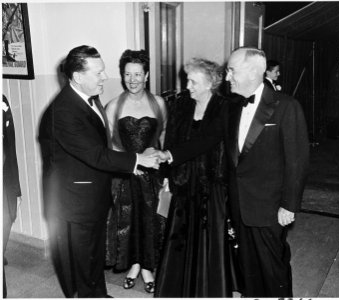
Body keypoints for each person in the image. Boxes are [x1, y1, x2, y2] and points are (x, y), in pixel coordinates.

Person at [157, 47, 309, 297]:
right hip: (238, 204)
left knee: (272, 268)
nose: (227, 77)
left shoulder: (286, 106)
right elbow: (207, 139)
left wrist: (289, 206)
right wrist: (169, 155)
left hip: (269, 207)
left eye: (232, 71)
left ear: (251, 71)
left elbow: (297, 161)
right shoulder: (232, 107)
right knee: (247, 268)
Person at [38, 45, 159, 298]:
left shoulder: (88, 97)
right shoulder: (63, 111)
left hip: (90, 194)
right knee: (82, 263)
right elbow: (95, 154)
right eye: (99, 73)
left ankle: (99, 294)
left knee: (92, 256)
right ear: (78, 77)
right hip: (74, 201)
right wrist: (138, 160)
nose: (105, 77)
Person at [155, 58, 241, 297]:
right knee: (179, 237)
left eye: (193, 81)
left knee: (209, 238)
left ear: (210, 83)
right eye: (187, 80)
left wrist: (169, 155)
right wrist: (165, 175)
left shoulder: (224, 106)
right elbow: (171, 136)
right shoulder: (182, 104)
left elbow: (207, 140)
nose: (188, 85)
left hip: (211, 183)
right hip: (182, 180)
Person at [104, 49, 167, 293]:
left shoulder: (159, 103)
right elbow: (108, 145)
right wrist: (133, 162)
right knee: (127, 221)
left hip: (152, 173)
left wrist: (156, 161)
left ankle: (148, 267)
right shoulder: (114, 105)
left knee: (149, 220)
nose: (132, 79)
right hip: (126, 173)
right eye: (127, 74)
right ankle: (134, 264)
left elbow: (163, 137)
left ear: (147, 75)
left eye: (138, 74)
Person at [3, 95, 22, 298]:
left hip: (4, 183)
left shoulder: (2, 101)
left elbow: (10, 146)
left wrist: (15, 189)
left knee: (8, 219)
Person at [325, 50, 339, 139]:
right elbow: (336, 84)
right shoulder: (336, 69)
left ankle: (334, 134)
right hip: (336, 97)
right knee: (334, 116)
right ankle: (332, 135)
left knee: (337, 116)